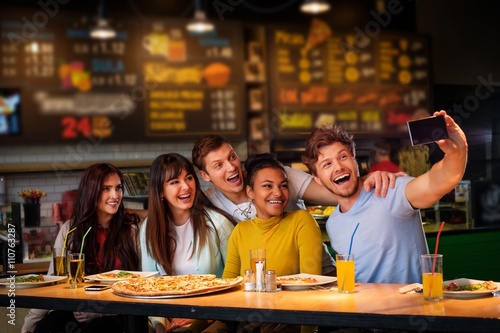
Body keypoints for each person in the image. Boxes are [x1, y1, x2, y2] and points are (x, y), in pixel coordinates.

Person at [192, 135, 401, 276]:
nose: (231, 168)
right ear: (205, 175)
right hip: (267, 292)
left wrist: (375, 179)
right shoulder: (207, 202)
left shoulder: (277, 174)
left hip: (321, 278)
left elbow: (339, 192)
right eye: (218, 165)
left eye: (232, 157)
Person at [301, 110, 468, 284]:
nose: (338, 167)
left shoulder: (389, 190)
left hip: (410, 309)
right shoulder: (333, 224)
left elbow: (436, 182)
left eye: (343, 157)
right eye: (327, 164)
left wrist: (457, 152)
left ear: (354, 160)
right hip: (361, 309)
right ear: (317, 179)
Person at [22, 163, 143, 333]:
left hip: (117, 314)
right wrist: (29, 325)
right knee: (47, 326)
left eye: (118, 188)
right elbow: (52, 282)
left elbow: (142, 287)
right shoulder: (70, 230)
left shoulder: (132, 230)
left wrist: (100, 312)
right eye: (106, 189)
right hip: (75, 310)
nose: (115, 195)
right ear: (91, 191)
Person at [222, 153, 322, 333]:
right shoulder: (240, 230)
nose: (278, 192)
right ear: (250, 192)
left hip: (288, 318)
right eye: (268, 186)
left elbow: (311, 287)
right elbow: (227, 287)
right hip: (245, 319)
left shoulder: (301, 220)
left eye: (283, 186)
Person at [140, 153, 235, 333]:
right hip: (166, 316)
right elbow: (148, 287)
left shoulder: (218, 223)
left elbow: (234, 284)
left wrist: (198, 314)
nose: (186, 187)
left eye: (189, 178)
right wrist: (159, 324)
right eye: (175, 182)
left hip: (211, 315)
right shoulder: (148, 228)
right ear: (160, 191)